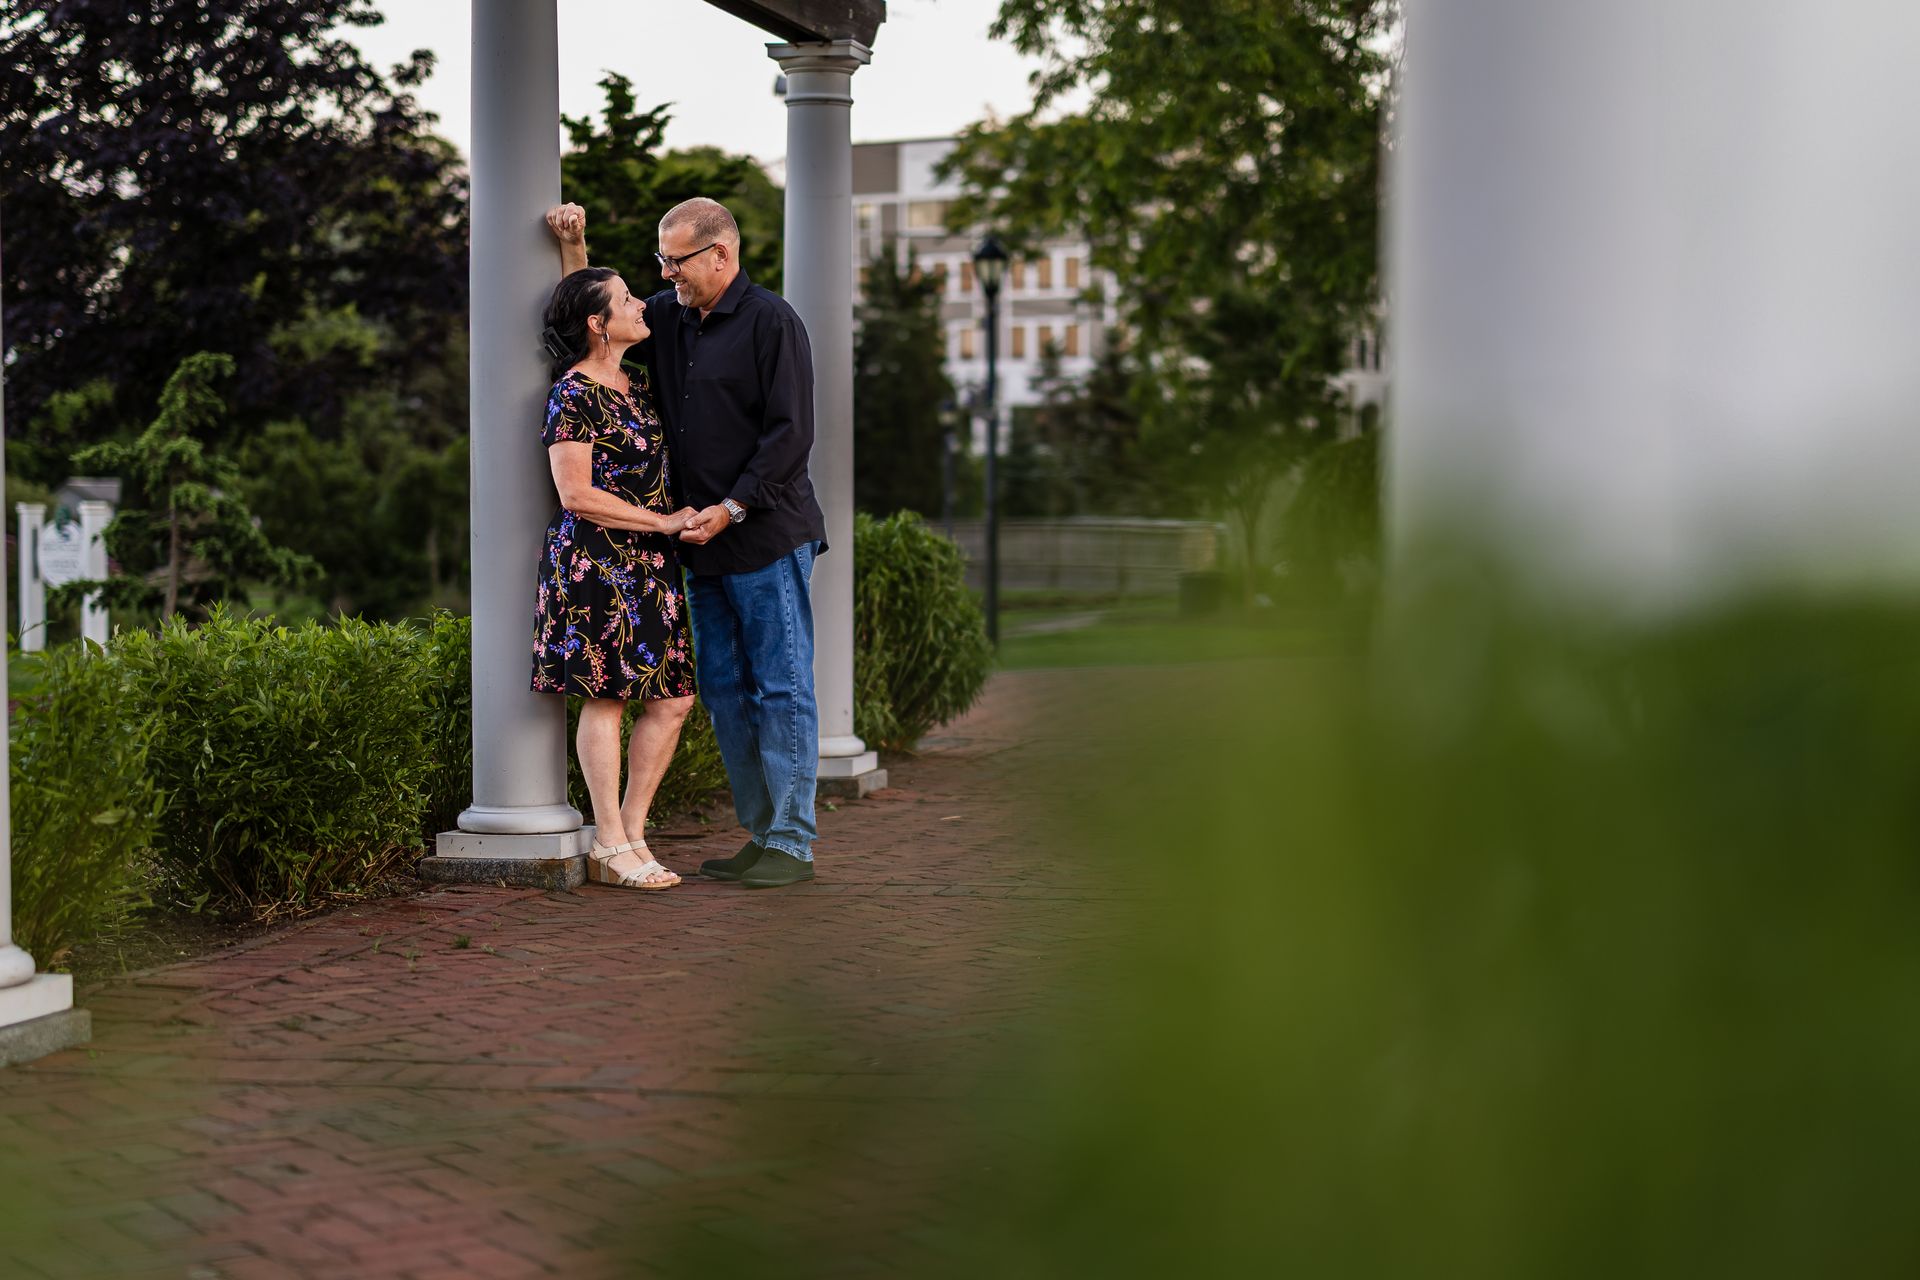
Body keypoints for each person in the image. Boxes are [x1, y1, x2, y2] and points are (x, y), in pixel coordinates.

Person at [546, 198, 827, 889]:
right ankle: (762, 837)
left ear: (720, 256)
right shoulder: (667, 316)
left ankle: (791, 842)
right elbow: (594, 323)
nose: (666, 274)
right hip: (695, 548)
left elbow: (790, 436)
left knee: (781, 690)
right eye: (661, 263)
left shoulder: (772, 323)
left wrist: (731, 507)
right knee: (727, 693)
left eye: (677, 261)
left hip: (764, 534)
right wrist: (574, 247)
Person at [531, 266, 700, 891]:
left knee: (674, 699)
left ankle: (630, 832)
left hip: (650, 563)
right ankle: (609, 839)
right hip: (596, 561)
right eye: (627, 300)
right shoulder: (571, 394)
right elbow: (576, 494)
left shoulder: (640, 382)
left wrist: (575, 245)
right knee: (609, 696)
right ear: (598, 325)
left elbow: (586, 282)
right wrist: (660, 522)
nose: (641, 305)